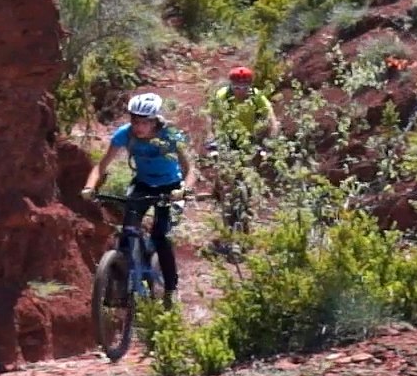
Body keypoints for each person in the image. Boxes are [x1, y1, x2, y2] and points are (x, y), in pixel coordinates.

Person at [80, 92, 196, 301]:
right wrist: (89, 187)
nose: (138, 127)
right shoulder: (124, 135)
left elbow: (190, 169)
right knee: (127, 232)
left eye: (144, 122)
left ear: (154, 121)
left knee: (161, 237)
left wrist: (183, 190)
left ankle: (170, 288)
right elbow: (102, 165)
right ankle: (120, 284)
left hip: (169, 188)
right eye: (135, 121)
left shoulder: (169, 135)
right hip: (143, 184)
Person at [206, 66, 278, 148]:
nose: (241, 91)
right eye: (237, 88)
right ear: (231, 86)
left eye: (245, 88)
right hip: (226, 138)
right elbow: (212, 116)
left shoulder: (256, 96)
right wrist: (211, 135)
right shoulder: (222, 96)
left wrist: (271, 138)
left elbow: (271, 117)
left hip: (251, 138)